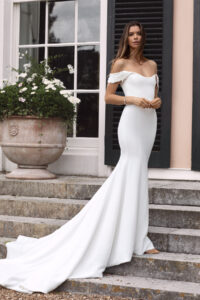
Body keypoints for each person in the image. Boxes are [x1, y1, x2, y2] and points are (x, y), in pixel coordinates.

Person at [0, 21, 161, 295]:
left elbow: (155, 96)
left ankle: (139, 237)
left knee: (139, 174)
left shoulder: (152, 65)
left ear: (143, 37)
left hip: (149, 123)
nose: (135, 37)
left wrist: (156, 102)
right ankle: (132, 238)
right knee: (129, 170)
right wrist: (131, 100)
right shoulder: (119, 64)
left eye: (139, 34)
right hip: (131, 123)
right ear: (127, 38)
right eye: (131, 34)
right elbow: (108, 97)